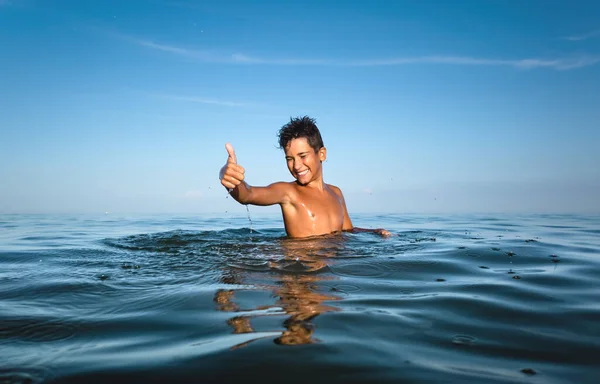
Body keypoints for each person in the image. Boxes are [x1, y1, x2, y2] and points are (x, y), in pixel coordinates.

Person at [219, 116, 390, 238]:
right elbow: (248, 194)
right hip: (299, 275)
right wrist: (228, 177)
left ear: (321, 154)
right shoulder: (288, 192)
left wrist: (374, 232)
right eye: (289, 159)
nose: (296, 165)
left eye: (302, 156)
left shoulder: (336, 193)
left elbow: (347, 231)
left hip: (331, 274)